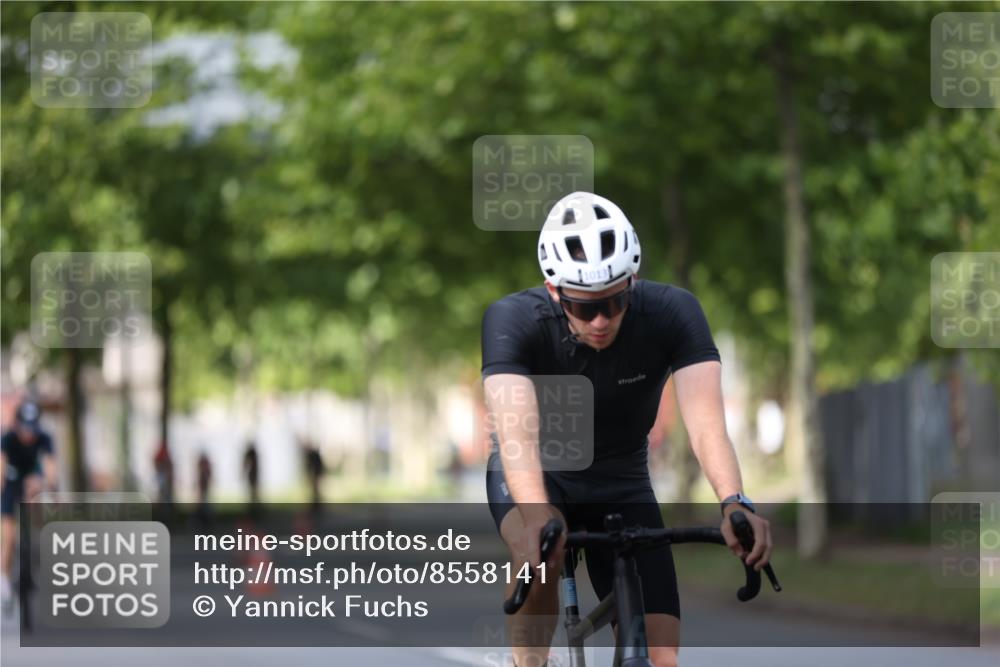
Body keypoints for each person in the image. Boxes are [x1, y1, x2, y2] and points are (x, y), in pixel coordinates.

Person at [482, 192, 773, 667]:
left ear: (633, 280)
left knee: (661, 658)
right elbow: (515, 434)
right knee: (541, 552)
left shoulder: (673, 312)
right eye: (582, 306)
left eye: (616, 301)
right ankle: (529, 663)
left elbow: (706, 427)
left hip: (622, 478)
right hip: (538, 472)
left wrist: (734, 502)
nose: (601, 320)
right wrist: (537, 515)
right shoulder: (514, 321)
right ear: (554, 290)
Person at [1, 400, 58, 605]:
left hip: (33, 481)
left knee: (37, 502)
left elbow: (51, 467)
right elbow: (1, 468)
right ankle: (5, 581)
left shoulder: (44, 438)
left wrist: (51, 489)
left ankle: (32, 552)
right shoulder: (7, 439)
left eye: (32, 429)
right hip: (10, 482)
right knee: (8, 535)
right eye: (24, 429)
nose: (28, 434)